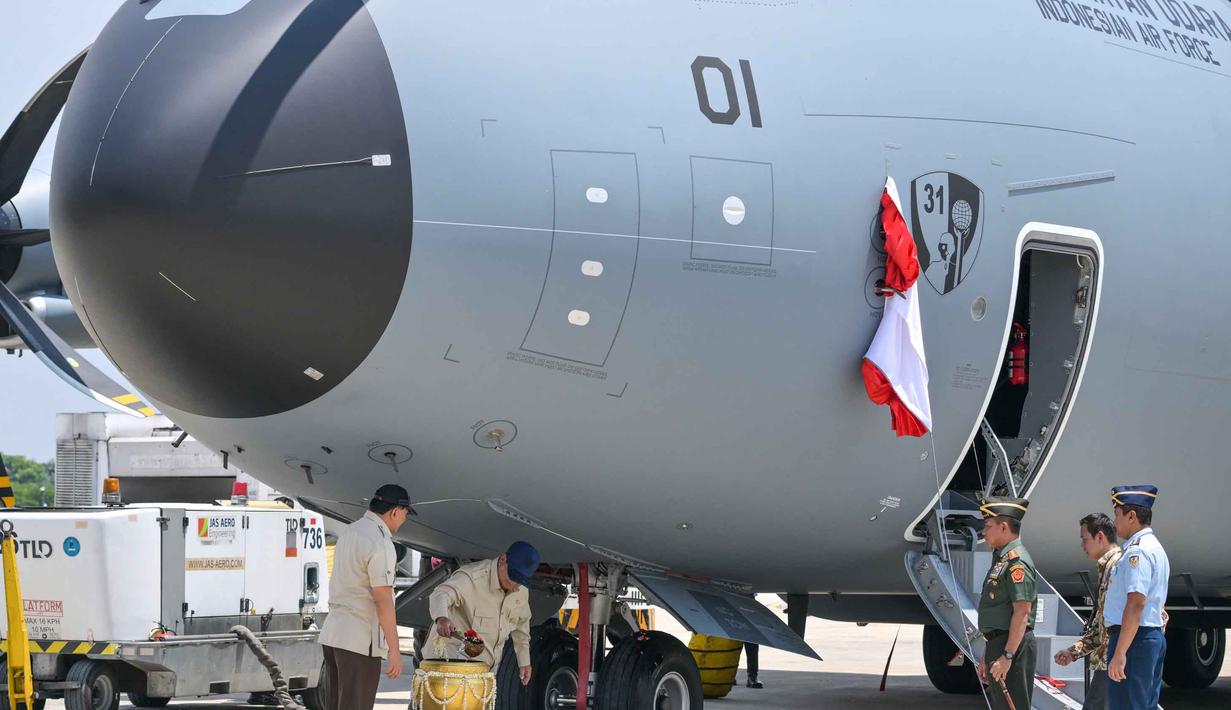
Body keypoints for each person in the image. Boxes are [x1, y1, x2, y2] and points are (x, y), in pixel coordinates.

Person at [318, 485, 412, 710]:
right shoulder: (380, 542)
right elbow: (382, 599)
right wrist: (395, 650)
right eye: (406, 514)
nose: (404, 521)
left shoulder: (351, 531)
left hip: (334, 635)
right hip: (358, 640)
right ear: (395, 511)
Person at [427, 541, 540, 683]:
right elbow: (441, 594)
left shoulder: (520, 589)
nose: (514, 584)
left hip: (484, 675)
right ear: (503, 559)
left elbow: (521, 626)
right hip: (447, 670)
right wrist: (441, 618)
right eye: (513, 576)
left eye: (520, 580)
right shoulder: (472, 577)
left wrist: (524, 662)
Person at [1104, 485, 1169, 710]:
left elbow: (1136, 603)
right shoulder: (1155, 547)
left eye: (1117, 514)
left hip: (1134, 640)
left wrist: (1120, 652)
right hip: (1147, 636)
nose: (1115, 521)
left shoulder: (1137, 551)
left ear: (1131, 516)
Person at [976, 496, 1038, 710]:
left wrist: (1007, 656)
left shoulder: (1016, 562)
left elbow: (1022, 612)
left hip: (1013, 648)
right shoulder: (1001, 559)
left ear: (1003, 527)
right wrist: (989, 651)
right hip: (1000, 644)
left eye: (988, 526)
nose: (984, 532)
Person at [1055, 513, 1121, 709]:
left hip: (1114, 661)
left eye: (1085, 539)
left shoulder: (1117, 567)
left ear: (1100, 537)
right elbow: (1103, 626)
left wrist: (1121, 654)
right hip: (1110, 660)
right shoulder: (1108, 566)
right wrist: (1073, 652)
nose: (1082, 545)